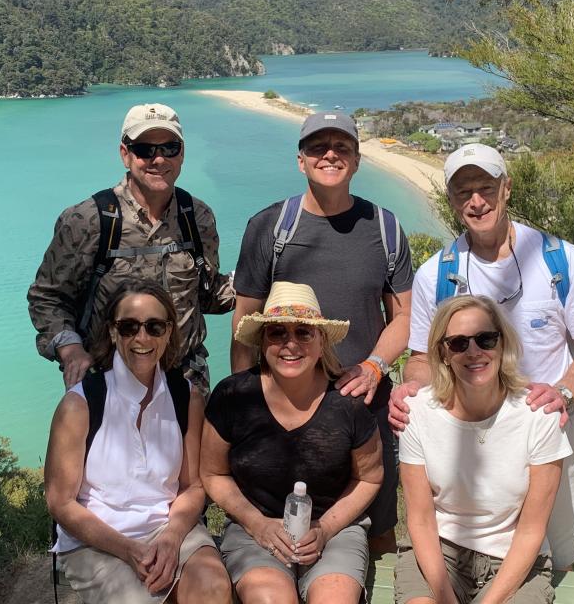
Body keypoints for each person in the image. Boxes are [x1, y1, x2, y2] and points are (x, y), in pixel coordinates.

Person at [391, 143, 574, 569]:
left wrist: (563, 392)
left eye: (485, 187)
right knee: (466, 555)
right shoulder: (435, 274)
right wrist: (411, 391)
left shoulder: (559, 260)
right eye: (463, 192)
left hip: (548, 430)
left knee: (558, 556)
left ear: (506, 188)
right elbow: (421, 357)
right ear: (452, 201)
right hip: (463, 437)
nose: (476, 201)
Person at [231, 111, 411, 546]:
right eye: (317, 147)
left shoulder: (385, 228)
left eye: (341, 147)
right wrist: (243, 400)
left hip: (364, 406)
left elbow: (404, 316)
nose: (330, 154)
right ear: (300, 160)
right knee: (278, 523)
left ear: (356, 159)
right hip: (287, 408)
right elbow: (244, 323)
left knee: (378, 524)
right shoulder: (270, 228)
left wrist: (374, 365)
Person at [44, 280, 231, 604]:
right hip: (98, 541)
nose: (142, 338)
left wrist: (172, 538)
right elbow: (60, 502)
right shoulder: (81, 405)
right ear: (113, 333)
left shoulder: (187, 398)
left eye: (154, 326)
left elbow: (192, 486)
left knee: (212, 588)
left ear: (169, 332)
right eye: (129, 327)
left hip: (167, 528)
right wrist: (129, 550)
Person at [29, 103, 235, 394]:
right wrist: (71, 349)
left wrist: (261, 279)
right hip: (109, 380)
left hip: (186, 382)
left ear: (182, 153)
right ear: (125, 154)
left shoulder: (197, 217)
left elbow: (206, 293)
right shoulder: (88, 219)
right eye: (145, 150)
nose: (159, 159)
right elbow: (48, 296)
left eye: (170, 148)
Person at [203, 282, 383, 604]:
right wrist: (258, 524)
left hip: (335, 529)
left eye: (303, 332)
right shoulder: (233, 396)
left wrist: (325, 529)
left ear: (320, 340)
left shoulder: (346, 402)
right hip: (253, 528)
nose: (291, 344)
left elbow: (369, 476)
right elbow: (213, 474)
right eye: (277, 332)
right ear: (262, 340)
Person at [397, 296, 569, 604]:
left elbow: (531, 530)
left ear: (502, 344)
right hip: (438, 554)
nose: (474, 352)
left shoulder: (539, 417)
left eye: (486, 339)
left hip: (515, 563)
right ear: (443, 354)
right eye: (459, 343)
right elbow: (421, 520)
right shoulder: (416, 413)